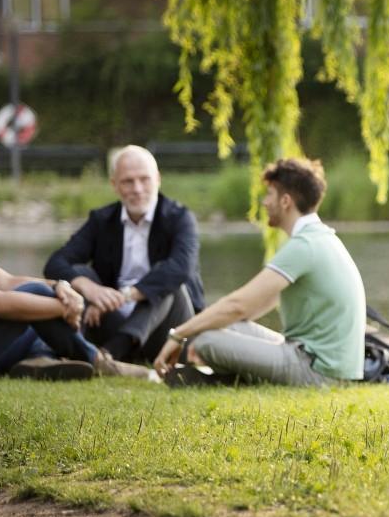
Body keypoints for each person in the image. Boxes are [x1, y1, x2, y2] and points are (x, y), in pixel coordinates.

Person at [152, 157, 366, 387]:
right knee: (222, 326)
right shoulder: (321, 237)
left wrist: (179, 334)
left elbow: (238, 305)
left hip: (318, 371)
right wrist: (223, 330)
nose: (264, 203)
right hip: (321, 362)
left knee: (206, 340)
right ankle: (227, 379)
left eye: (269, 195)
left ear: (285, 201)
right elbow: (260, 303)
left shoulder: (304, 246)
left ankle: (228, 380)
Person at [0, 158, 153, 380]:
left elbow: (6, 282)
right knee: (35, 298)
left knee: (39, 309)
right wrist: (62, 308)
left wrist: (61, 287)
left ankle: (38, 360)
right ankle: (97, 361)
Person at [44, 146, 204, 363]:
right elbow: (56, 262)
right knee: (78, 274)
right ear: (114, 185)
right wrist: (91, 290)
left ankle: (111, 353)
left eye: (144, 179)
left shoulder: (180, 218)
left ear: (157, 179)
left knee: (168, 281)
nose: (137, 189)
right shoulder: (101, 220)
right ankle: (83, 348)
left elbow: (181, 267)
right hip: (113, 319)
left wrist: (127, 295)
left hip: (172, 329)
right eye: (128, 181)